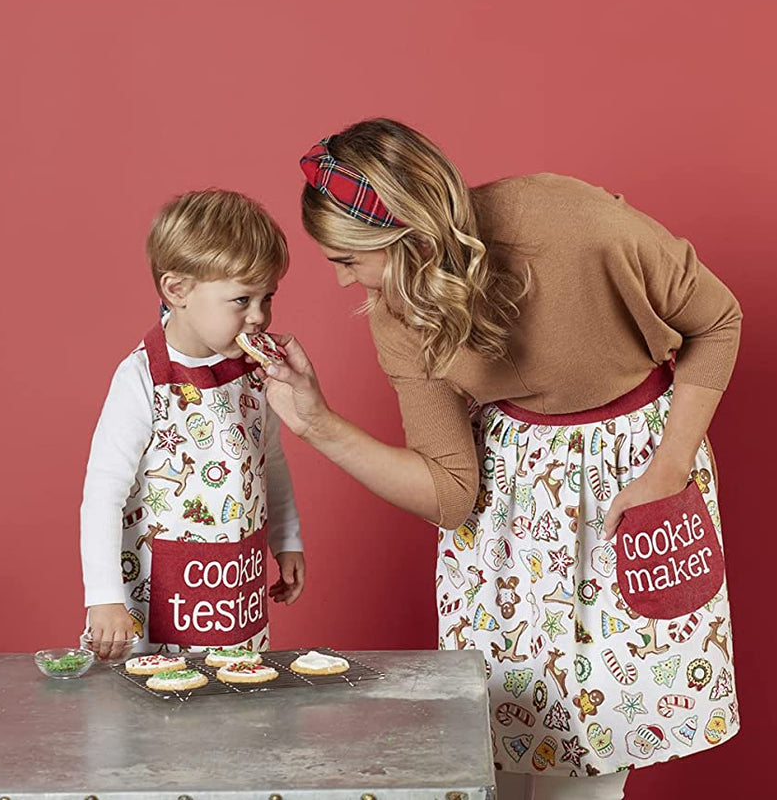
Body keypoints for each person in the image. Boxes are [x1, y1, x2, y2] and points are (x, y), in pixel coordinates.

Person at [264, 119, 739, 800]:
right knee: (494, 753)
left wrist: (668, 468)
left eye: (346, 260)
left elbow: (717, 320)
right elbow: (452, 491)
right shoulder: (397, 310)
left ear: (401, 236)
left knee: (587, 768)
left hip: (627, 479)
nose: (345, 283)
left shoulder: (577, 223)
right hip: (512, 510)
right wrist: (318, 423)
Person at [80, 190, 306, 659]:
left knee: (238, 693)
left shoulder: (252, 372)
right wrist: (103, 598)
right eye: (241, 299)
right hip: (166, 596)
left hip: (233, 589)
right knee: (164, 710)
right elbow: (104, 491)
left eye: (267, 298)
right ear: (177, 290)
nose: (259, 317)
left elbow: (272, 460)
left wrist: (286, 539)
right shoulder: (142, 378)